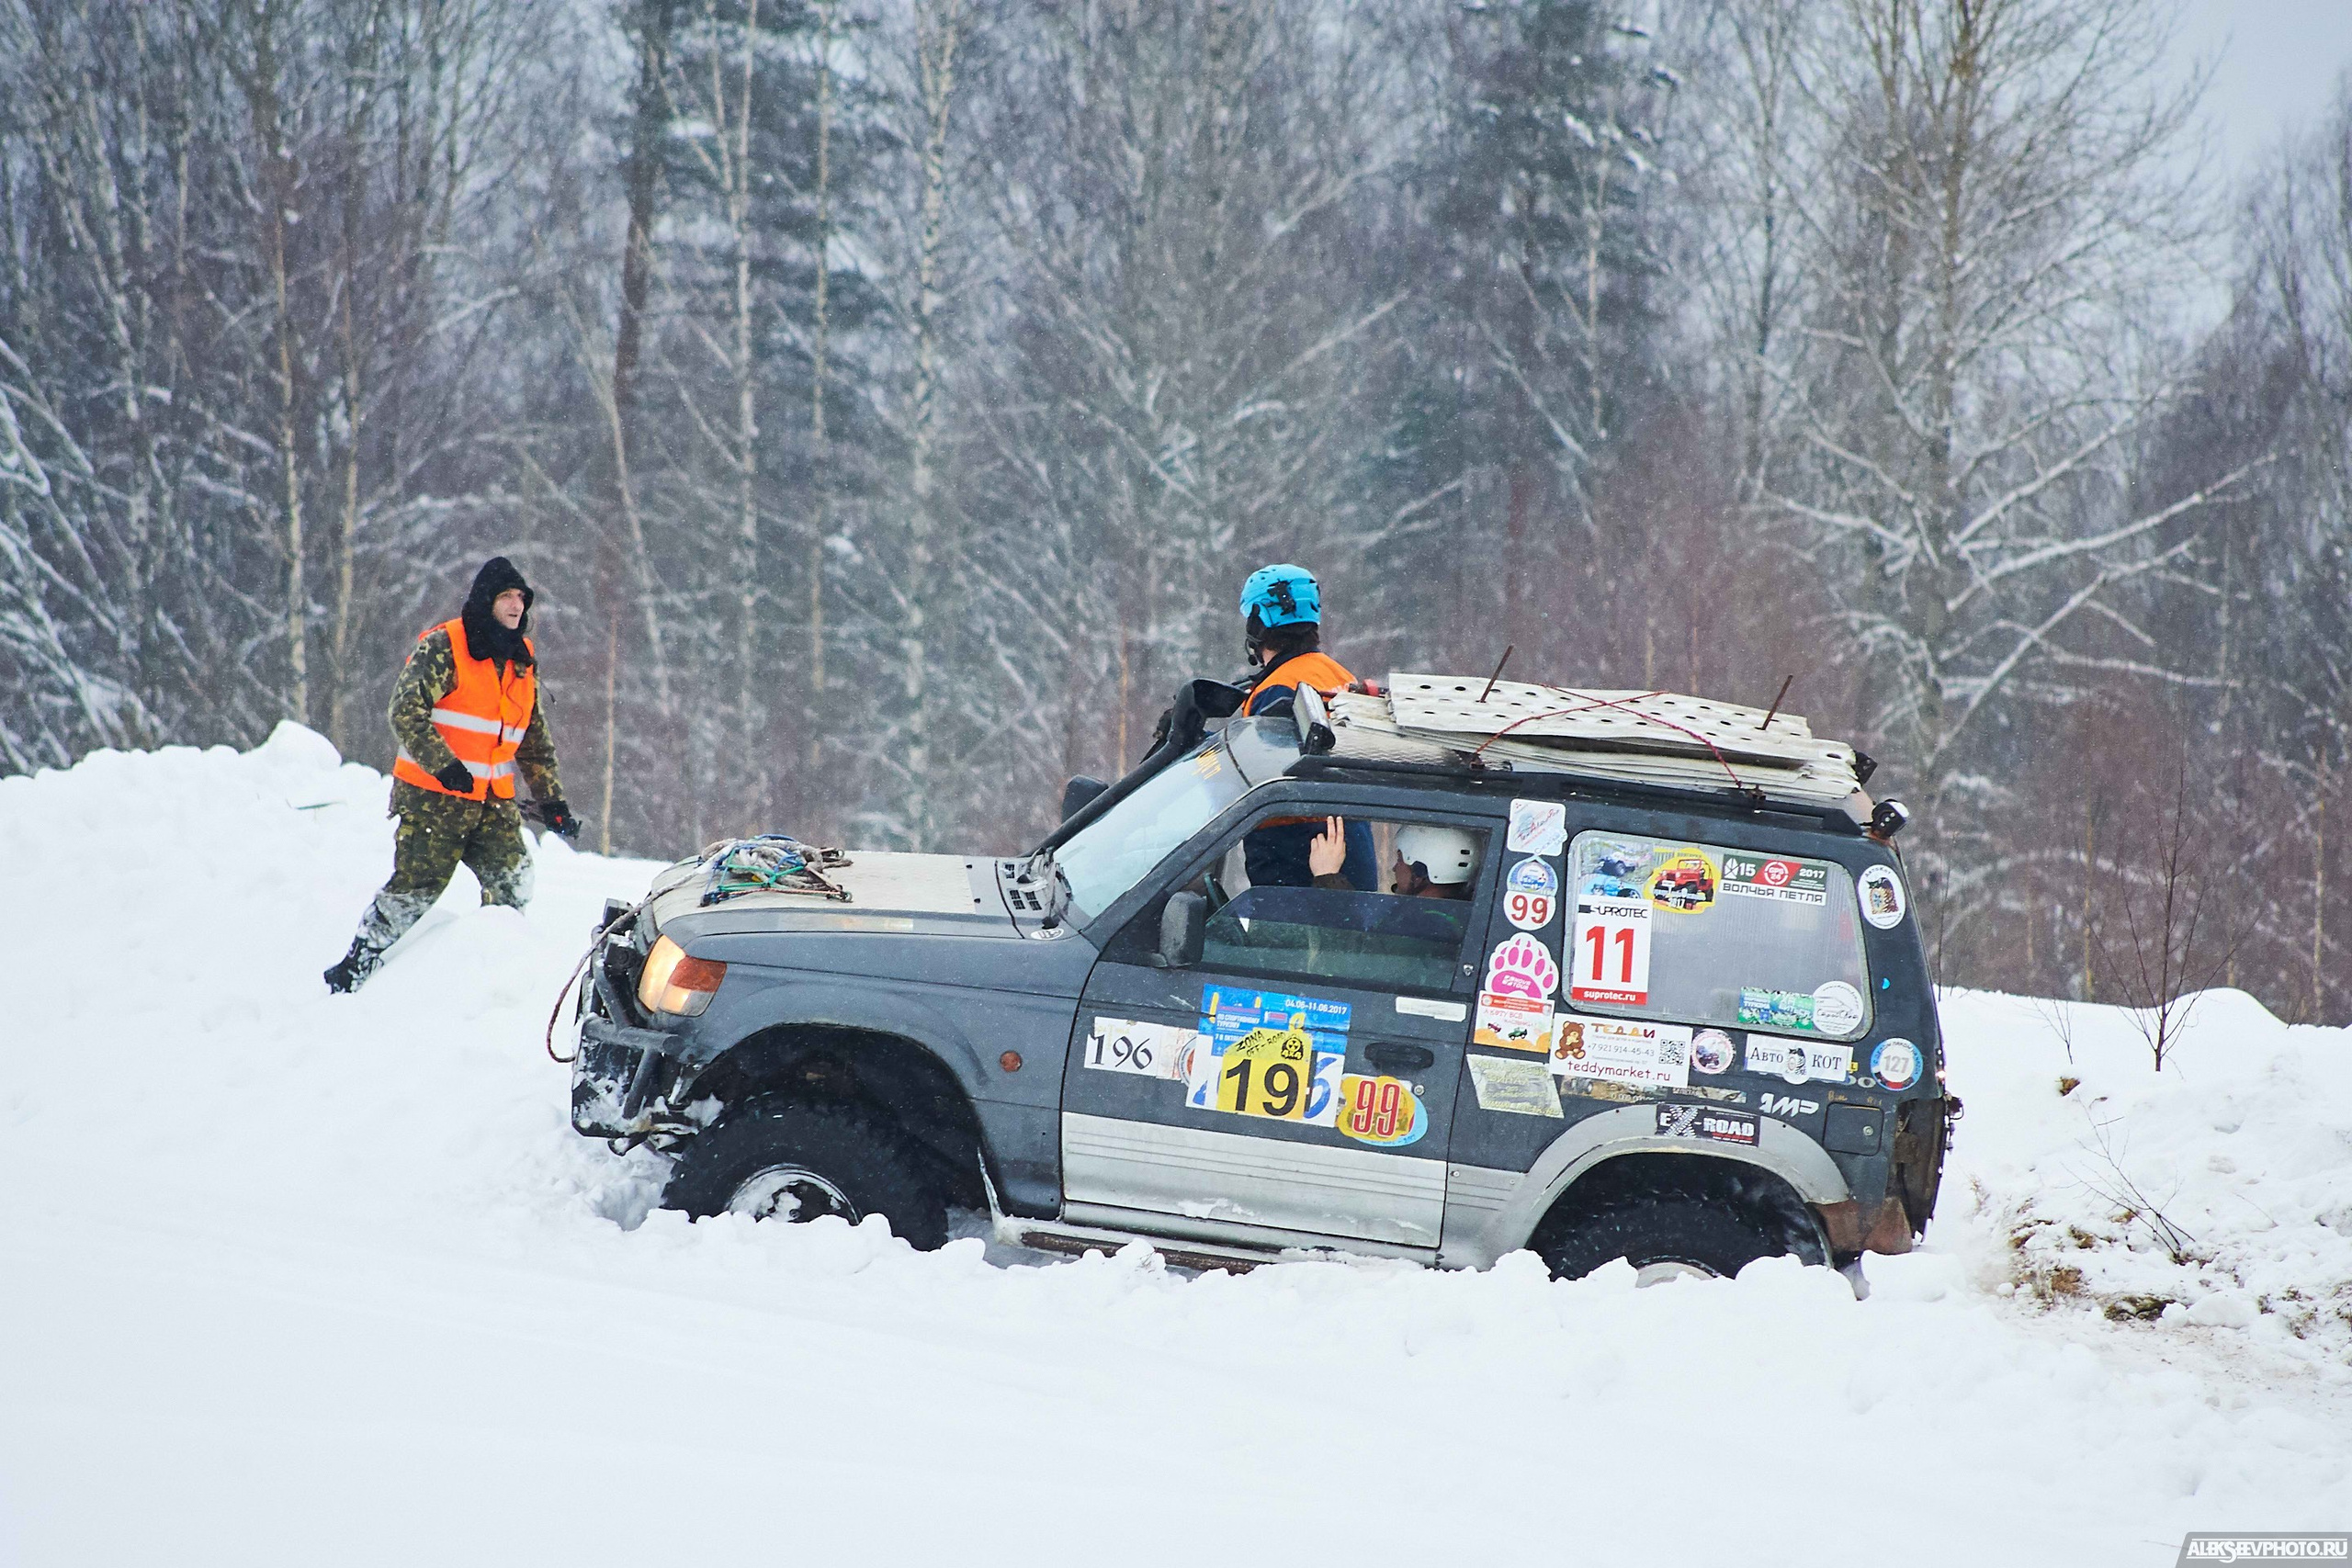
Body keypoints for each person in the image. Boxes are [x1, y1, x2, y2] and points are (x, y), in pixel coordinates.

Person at [323, 557, 578, 994]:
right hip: (432, 796)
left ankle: (491, 974)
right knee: (417, 888)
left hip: (492, 800)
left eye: (522, 597)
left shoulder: (522, 659)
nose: (517, 606)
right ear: (486, 601)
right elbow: (404, 710)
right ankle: (357, 964)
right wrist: (444, 765)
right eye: (506, 597)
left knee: (513, 881)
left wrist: (551, 800)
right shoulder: (446, 646)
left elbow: (532, 737)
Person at [1235, 564, 1378, 888]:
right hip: (1348, 847)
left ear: (1257, 623)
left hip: (1295, 855)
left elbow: (1251, 770)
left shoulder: (1278, 690)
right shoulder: (1339, 676)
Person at [1308, 818, 1478, 900]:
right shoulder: (1449, 916)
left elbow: (1357, 946)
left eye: (1400, 860)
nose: (1395, 869)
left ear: (1420, 871)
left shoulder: (1424, 925)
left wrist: (1327, 876)